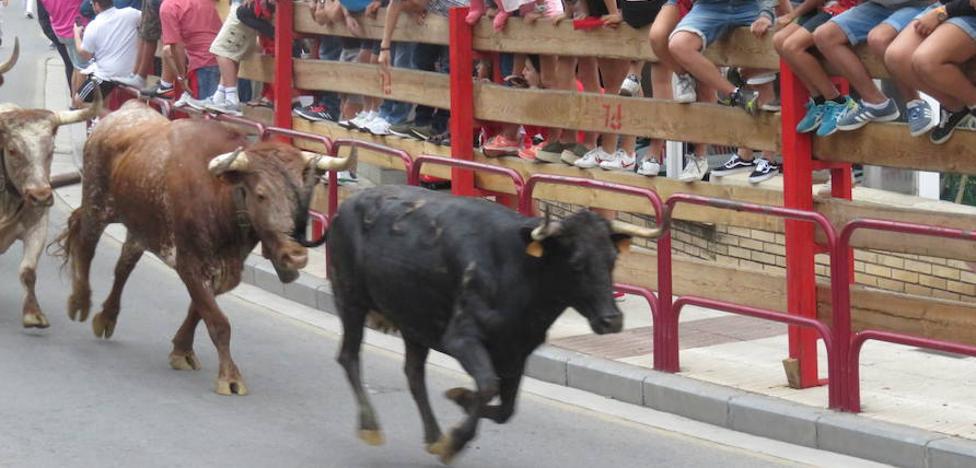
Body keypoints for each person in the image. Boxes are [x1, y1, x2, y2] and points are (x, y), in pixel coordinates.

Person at [813, 0, 933, 135]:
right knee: (824, 36)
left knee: (879, 39)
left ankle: (915, 103)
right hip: (878, 5)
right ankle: (875, 102)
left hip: (919, 4)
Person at [883, 0, 976, 143]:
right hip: (944, 6)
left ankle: (972, 102)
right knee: (896, 57)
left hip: (967, 12)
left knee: (925, 61)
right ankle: (955, 107)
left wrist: (942, 12)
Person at [667, 0, 776, 115]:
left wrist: (766, 14)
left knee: (779, 45)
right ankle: (736, 94)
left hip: (751, 7)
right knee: (679, 45)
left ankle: (739, 75)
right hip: (708, 8)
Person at [773, 0, 857, 137]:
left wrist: (792, 14)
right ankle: (819, 100)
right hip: (822, 9)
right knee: (778, 41)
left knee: (792, 46)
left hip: (842, 9)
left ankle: (838, 101)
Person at [146, 0, 222, 100]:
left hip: (203, 63)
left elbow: (175, 47)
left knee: (204, 113)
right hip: (223, 60)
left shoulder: (169, 6)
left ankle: (165, 86)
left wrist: (182, 78)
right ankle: (165, 85)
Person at [72, 0, 140, 104]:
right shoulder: (131, 14)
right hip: (131, 72)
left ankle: (108, 118)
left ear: (96, 5)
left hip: (107, 76)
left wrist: (76, 34)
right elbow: (149, 21)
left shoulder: (93, 26)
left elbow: (86, 54)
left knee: (78, 100)